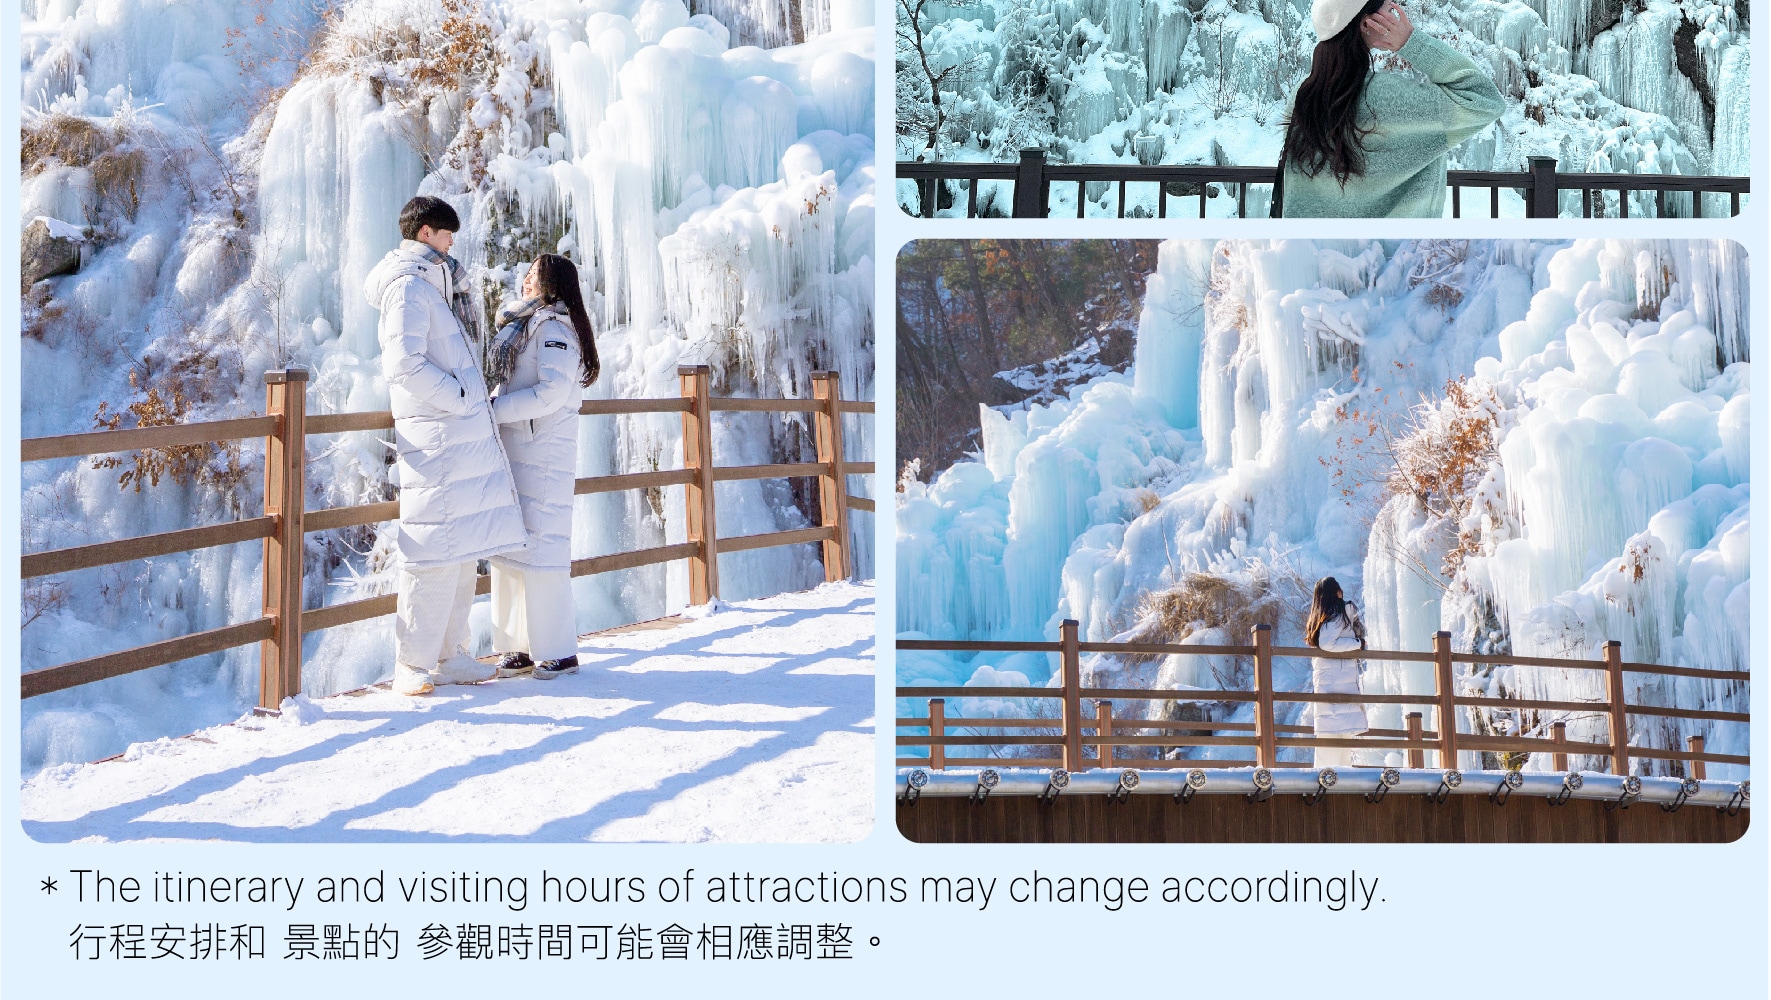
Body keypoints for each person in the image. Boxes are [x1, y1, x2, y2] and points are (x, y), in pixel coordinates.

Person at [366, 195, 527, 696]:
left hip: (455, 437)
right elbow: (404, 364)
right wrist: (460, 397)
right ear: (425, 234)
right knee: (432, 550)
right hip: (436, 436)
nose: (453, 242)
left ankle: (449, 653)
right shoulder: (410, 288)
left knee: (461, 549)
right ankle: (411, 663)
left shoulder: (433, 286)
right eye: (446, 234)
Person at [1278, 0, 1504, 218]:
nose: (1396, 15)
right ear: (1369, 24)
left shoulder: (1303, 95)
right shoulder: (1391, 99)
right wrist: (1411, 41)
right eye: (1390, 9)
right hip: (1396, 253)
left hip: (1313, 251)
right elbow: (1484, 99)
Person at [486, 253, 600, 681]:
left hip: (543, 453)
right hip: (520, 449)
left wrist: (497, 408)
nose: (525, 280)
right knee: (510, 549)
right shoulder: (529, 325)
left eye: (533, 274)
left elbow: (551, 391)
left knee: (544, 550)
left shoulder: (554, 329)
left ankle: (557, 649)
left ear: (552, 284)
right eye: (526, 273)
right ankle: (515, 647)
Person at [1305, 576, 1368, 768]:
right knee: (1336, 736)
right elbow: (1327, 643)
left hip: (1333, 679)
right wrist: (1357, 644)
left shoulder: (1322, 616)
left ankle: (1333, 780)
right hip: (1338, 680)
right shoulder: (1338, 613)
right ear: (1337, 592)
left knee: (1334, 737)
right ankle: (1332, 781)